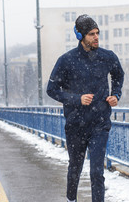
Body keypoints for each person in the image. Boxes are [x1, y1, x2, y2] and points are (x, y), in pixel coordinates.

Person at [46, 14, 124, 202]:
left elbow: (118, 75)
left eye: (97, 33)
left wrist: (116, 95)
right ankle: (71, 199)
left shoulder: (107, 57)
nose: (96, 37)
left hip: (100, 124)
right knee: (75, 168)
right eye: (91, 34)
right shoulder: (66, 60)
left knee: (97, 171)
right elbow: (51, 89)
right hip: (76, 125)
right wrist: (76, 99)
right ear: (80, 36)